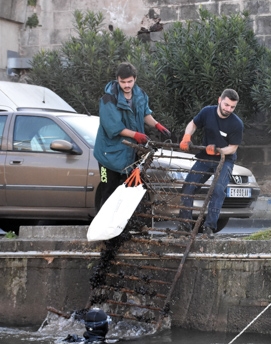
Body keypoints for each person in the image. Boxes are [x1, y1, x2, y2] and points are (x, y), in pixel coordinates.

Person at [94, 62, 171, 210]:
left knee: (129, 191)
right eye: (123, 82)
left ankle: (125, 228)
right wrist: (136, 135)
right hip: (107, 156)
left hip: (130, 154)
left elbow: (145, 114)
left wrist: (157, 125)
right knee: (108, 190)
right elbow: (113, 127)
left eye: (129, 81)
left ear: (134, 79)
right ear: (117, 79)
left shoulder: (140, 94)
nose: (126, 85)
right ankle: (105, 230)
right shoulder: (108, 100)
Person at [178, 89, 243, 238]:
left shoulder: (236, 124)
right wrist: (187, 136)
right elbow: (193, 124)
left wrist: (218, 151)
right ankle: (185, 225)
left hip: (224, 159)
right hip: (205, 157)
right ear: (219, 100)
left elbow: (232, 148)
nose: (228, 109)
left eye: (232, 107)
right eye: (226, 105)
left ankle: (209, 228)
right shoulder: (207, 112)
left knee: (218, 191)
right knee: (188, 187)